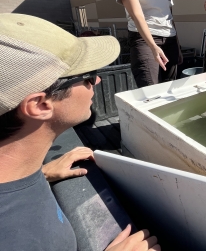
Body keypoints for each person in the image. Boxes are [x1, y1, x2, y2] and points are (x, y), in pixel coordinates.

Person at [0, 13, 160, 251]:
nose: (96, 81)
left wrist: (40, 174)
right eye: (86, 77)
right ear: (40, 105)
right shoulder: (19, 236)